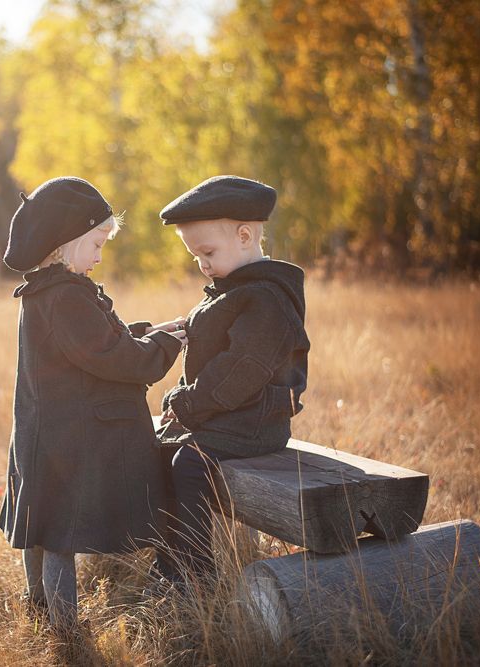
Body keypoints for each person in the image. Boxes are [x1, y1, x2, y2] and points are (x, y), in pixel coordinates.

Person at [0, 176, 187, 632]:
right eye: (96, 243)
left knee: (42, 523)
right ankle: (65, 630)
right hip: (68, 437)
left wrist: (151, 332)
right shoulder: (66, 297)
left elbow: (102, 341)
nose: (101, 256)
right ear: (66, 243)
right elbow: (112, 355)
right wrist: (162, 347)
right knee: (59, 530)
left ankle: (39, 608)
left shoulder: (48, 290)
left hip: (44, 429)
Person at [154, 175, 310, 586]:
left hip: (254, 422)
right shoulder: (233, 289)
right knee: (160, 451)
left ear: (245, 236)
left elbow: (240, 369)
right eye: (195, 257)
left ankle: (196, 575)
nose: (202, 264)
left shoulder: (267, 298)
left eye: (207, 252)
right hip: (227, 416)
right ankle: (169, 561)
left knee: (189, 464)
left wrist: (188, 403)